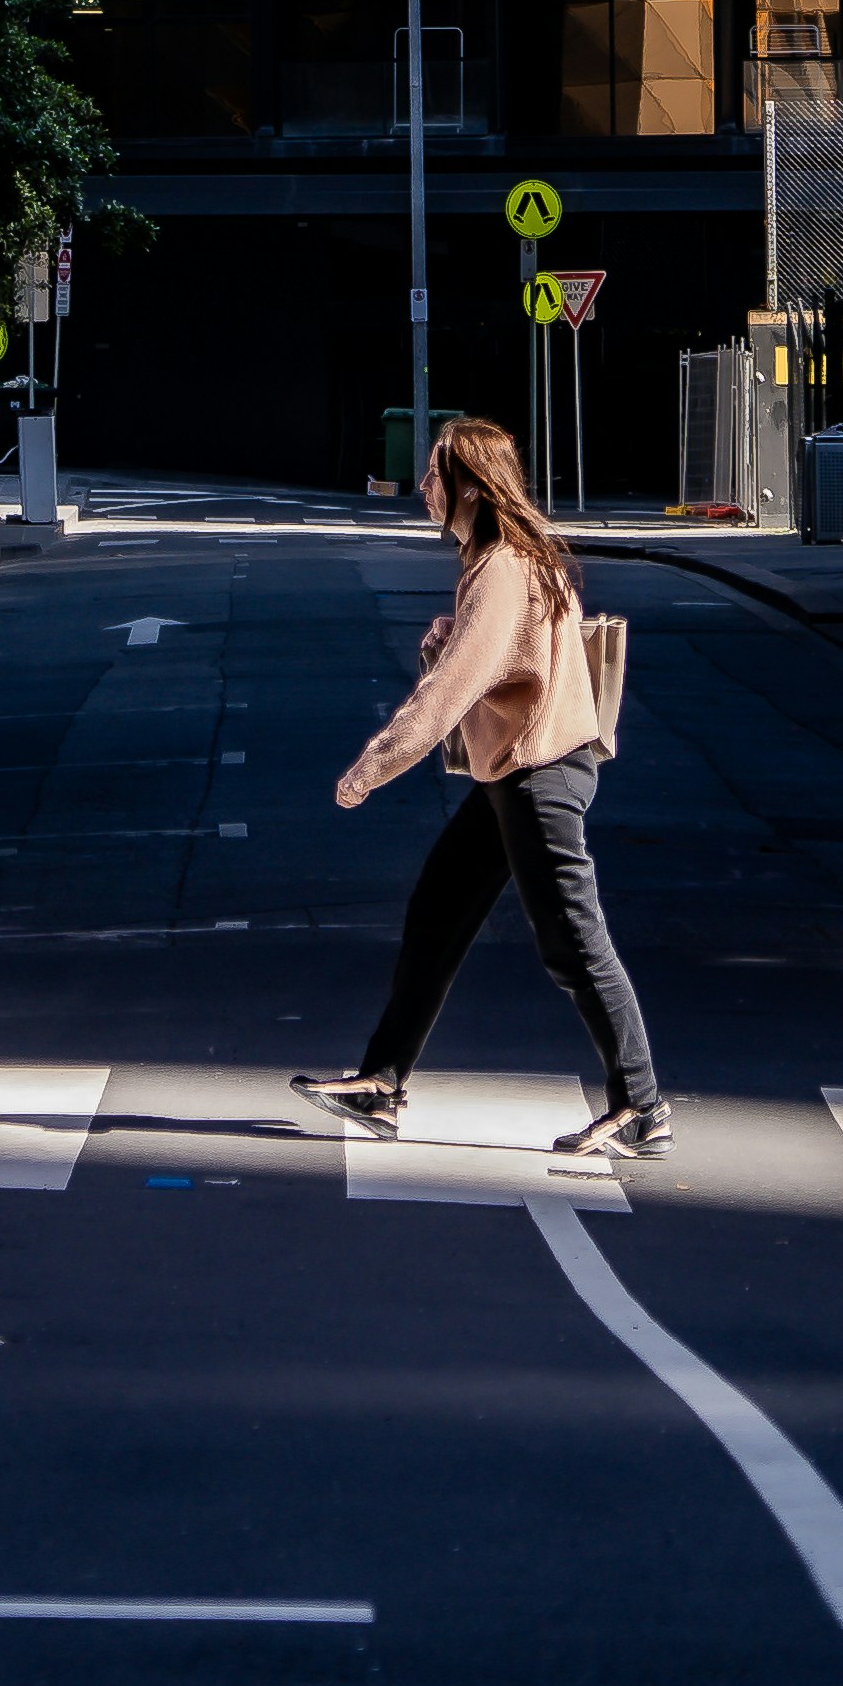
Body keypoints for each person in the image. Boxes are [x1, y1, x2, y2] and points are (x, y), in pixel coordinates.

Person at [295, 410, 668, 1165]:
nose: (425, 487)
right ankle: (382, 1083)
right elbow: (501, 662)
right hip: (519, 772)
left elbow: (450, 696)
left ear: (469, 485)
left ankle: (641, 1105)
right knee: (438, 912)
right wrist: (452, 642)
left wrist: (373, 764)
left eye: (434, 475)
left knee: (572, 940)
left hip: (538, 777)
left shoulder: (501, 566)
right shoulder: (503, 561)